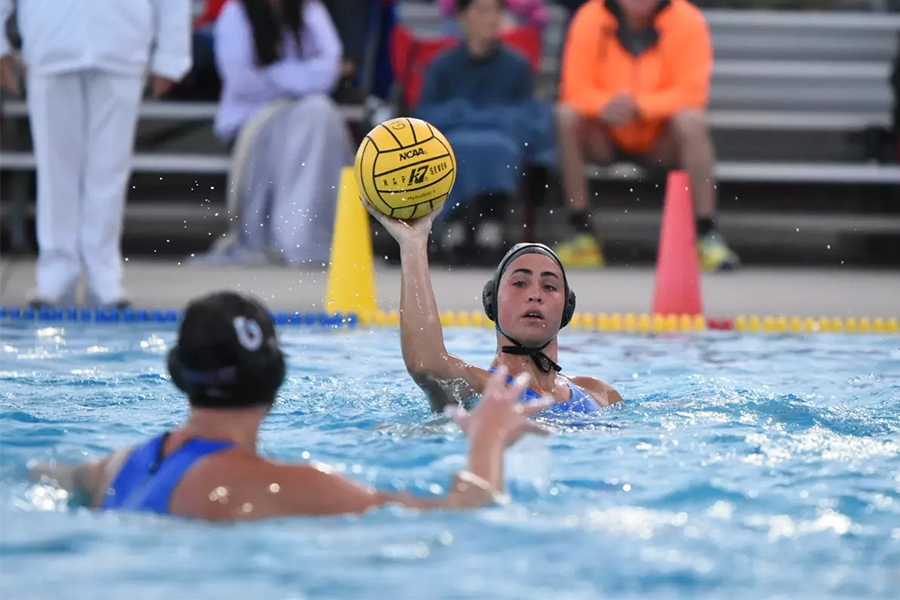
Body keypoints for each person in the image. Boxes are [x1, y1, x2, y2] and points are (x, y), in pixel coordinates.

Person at [27, 291, 551, 520]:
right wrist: (486, 439)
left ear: (177, 374)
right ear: (276, 378)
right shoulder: (291, 485)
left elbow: (41, 475)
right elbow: (464, 513)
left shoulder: (115, 467)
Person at [0, 0, 192, 308]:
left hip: (121, 42)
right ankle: (55, 274)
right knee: (54, 170)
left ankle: (104, 274)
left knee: (110, 169)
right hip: (51, 41)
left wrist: (171, 55)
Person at [363, 200, 623, 414]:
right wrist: (414, 244)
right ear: (492, 302)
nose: (535, 295)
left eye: (549, 286)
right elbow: (426, 364)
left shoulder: (600, 394)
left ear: (568, 308)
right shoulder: (480, 389)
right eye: (520, 283)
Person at [554, 0, 740, 272]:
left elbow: (691, 93)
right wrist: (606, 106)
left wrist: (641, 107)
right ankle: (581, 234)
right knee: (566, 116)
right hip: (605, 133)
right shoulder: (590, 17)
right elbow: (574, 88)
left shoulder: (686, 19)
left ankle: (705, 234)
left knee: (692, 121)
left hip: (659, 138)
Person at [194, 0, 353, 267]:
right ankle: (292, 234)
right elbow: (243, 81)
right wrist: (302, 78)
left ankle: (305, 234)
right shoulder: (236, 12)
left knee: (319, 113)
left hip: (306, 119)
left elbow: (328, 69)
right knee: (316, 113)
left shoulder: (309, 10)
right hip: (254, 122)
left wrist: (273, 76)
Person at [415, 0, 556, 264]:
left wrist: (465, 114)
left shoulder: (516, 65)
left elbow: (525, 116)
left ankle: (494, 219)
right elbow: (426, 115)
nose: (490, 19)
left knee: (499, 147)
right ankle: (454, 222)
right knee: (456, 146)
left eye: (495, 11)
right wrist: (485, 116)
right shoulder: (442, 66)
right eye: (481, 11)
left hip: (501, 139)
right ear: (461, 19)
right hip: (457, 137)